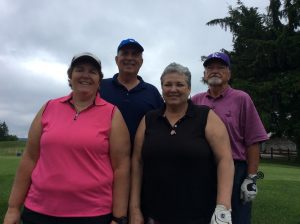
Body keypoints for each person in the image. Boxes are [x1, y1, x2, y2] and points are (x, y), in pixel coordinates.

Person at [4, 52, 131, 224]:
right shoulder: (49, 107)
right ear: (70, 76)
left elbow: (121, 168)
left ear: (99, 80)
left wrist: (119, 217)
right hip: (39, 211)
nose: (85, 75)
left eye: (92, 72)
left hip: (92, 214)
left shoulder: (112, 114)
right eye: (79, 70)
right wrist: (13, 208)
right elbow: (30, 158)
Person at [130, 62, 234, 224]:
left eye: (180, 84)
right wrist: (134, 208)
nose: (173, 89)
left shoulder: (206, 117)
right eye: (168, 84)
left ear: (189, 88)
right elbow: (137, 163)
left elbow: (225, 160)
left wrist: (223, 206)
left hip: (198, 215)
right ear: (162, 88)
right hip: (153, 214)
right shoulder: (149, 119)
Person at [192, 52, 269, 224]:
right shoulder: (195, 100)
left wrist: (251, 178)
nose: (215, 71)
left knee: (235, 218)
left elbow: (253, 140)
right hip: (202, 169)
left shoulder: (242, 99)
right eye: (210, 68)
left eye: (220, 67)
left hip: (236, 170)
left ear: (229, 73)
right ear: (204, 75)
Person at [99, 38, 163, 144]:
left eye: (135, 54)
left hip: (141, 158)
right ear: (116, 59)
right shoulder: (100, 87)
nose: (129, 58)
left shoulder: (152, 92)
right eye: (125, 53)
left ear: (141, 61)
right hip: (101, 157)